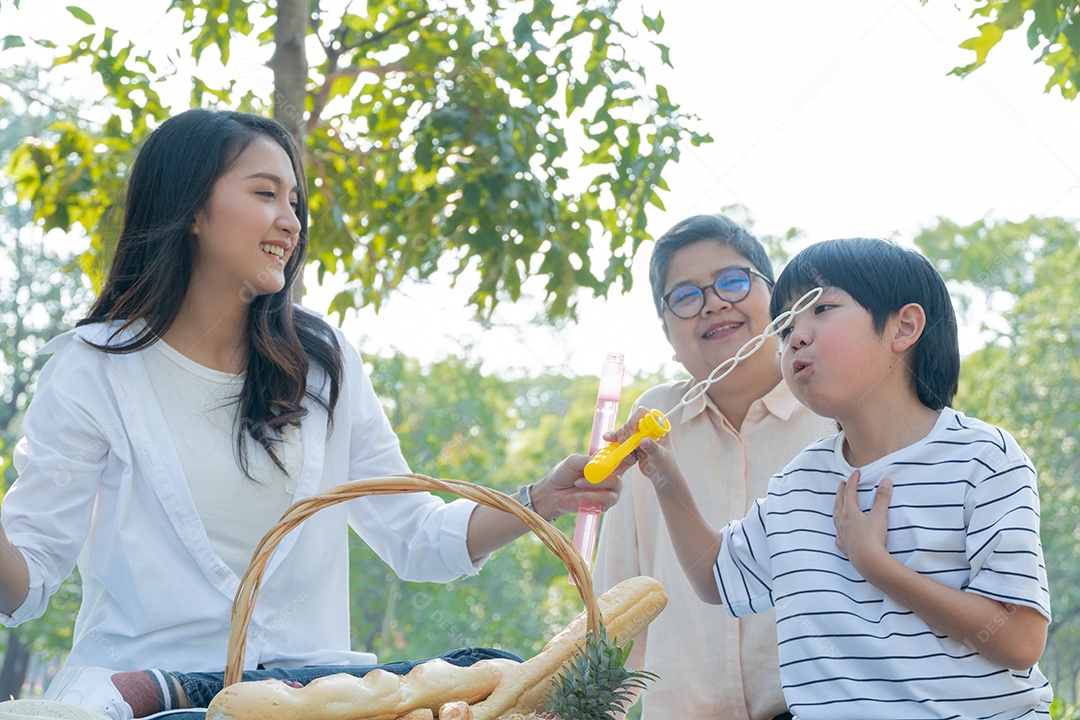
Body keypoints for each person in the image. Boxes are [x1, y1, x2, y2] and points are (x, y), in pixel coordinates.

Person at [0, 109, 622, 720]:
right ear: (191, 209)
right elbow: (27, 580)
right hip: (142, 695)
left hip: (311, 696)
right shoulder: (94, 368)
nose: (290, 221)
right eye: (265, 193)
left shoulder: (321, 361)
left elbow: (416, 538)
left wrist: (542, 498)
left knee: (495, 665)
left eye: (294, 202)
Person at [620, 237, 1053, 718]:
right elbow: (716, 579)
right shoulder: (798, 484)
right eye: (784, 328)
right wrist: (665, 477)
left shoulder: (983, 458)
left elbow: (1019, 639)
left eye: (821, 308)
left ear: (904, 327)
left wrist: (877, 565)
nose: (796, 337)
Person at [592, 214, 833, 720]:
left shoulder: (835, 412)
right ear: (666, 332)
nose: (714, 303)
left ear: (775, 298)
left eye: (733, 281)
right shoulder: (649, 426)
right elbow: (616, 600)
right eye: (686, 296)